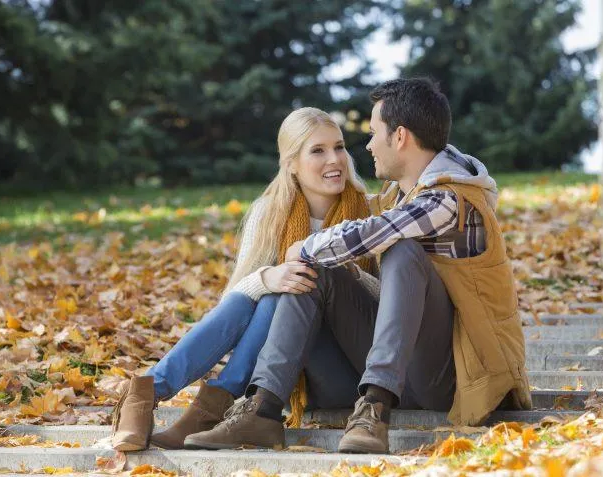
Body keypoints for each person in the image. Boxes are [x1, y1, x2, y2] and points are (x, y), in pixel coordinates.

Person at [184, 78, 532, 454]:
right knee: (315, 273)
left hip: (453, 378)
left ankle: (375, 409)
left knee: (401, 251)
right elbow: (354, 224)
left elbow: (372, 233)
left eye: (372, 133)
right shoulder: (398, 197)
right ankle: (261, 411)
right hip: (399, 366)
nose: (366, 146)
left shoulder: (450, 200)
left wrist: (305, 245)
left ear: (399, 137)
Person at [110, 107, 378, 451]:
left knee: (291, 288)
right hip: (281, 373)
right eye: (318, 150)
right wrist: (269, 276)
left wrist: (343, 276)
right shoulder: (270, 212)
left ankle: (185, 402)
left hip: (345, 372)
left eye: (339, 147)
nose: (335, 159)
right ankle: (151, 392)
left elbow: (384, 305)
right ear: (291, 163)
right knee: (268, 292)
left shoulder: (369, 212)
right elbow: (234, 305)